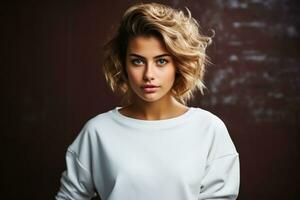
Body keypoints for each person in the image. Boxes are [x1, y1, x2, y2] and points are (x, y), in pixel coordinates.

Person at [55, 2, 240, 200]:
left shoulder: (208, 129)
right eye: (137, 61)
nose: (148, 74)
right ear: (123, 65)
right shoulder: (98, 131)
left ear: (177, 64)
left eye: (161, 61)